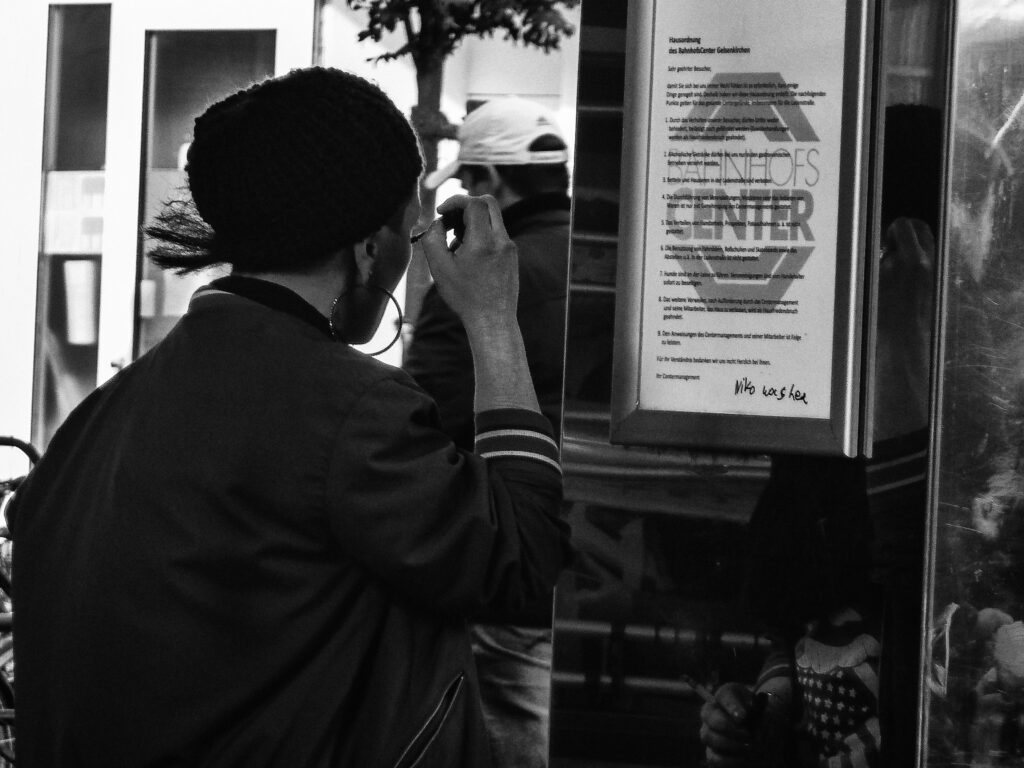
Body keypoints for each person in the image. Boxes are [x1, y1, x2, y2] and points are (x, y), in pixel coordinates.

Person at [9, 67, 572, 768]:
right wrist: (492, 318)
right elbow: (521, 562)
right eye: (410, 227)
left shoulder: (94, 420)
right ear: (370, 249)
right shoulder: (353, 411)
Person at [698, 104, 942, 768]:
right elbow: (805, 620)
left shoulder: (969, 408)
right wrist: (761, 711)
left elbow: (922, 590)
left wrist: (901, 345)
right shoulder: (828, 400)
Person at [404, 96, 572, 768]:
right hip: (604, 557)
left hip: (513, 568)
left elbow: (428, 427)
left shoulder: (478, 289)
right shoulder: (608, 268)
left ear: (486, 188)